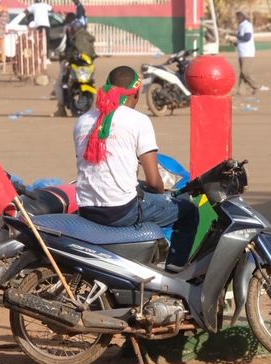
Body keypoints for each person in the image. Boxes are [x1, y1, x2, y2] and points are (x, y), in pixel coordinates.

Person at [73, 66, 199, 270]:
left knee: (142, 192)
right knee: (188, 211)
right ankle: (175, 270)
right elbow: (154, 181)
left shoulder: (82, 121)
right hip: (120, 211)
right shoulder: (138, 121)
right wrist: (162, 195)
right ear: (137, 93)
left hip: (87, 208)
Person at [53, 19, 96, 117]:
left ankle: (61, 108)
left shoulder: (75, 38)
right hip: (86, 69)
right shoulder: (88, 38)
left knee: (60, 84)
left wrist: (66, 58)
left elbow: (69, 53)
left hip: (77, 68)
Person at [233, 11, 268, 96]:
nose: (237, 20)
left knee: (245, 72)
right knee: (242, 73)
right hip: (241, 52)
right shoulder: (241, 26)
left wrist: (236, 35)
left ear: (241, 17)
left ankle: (257, 86)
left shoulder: (247, 25)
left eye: (238, 18)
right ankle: (241, 91)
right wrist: (235, 42)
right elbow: (241, 39)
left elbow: (247, 38)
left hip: (247, 53)